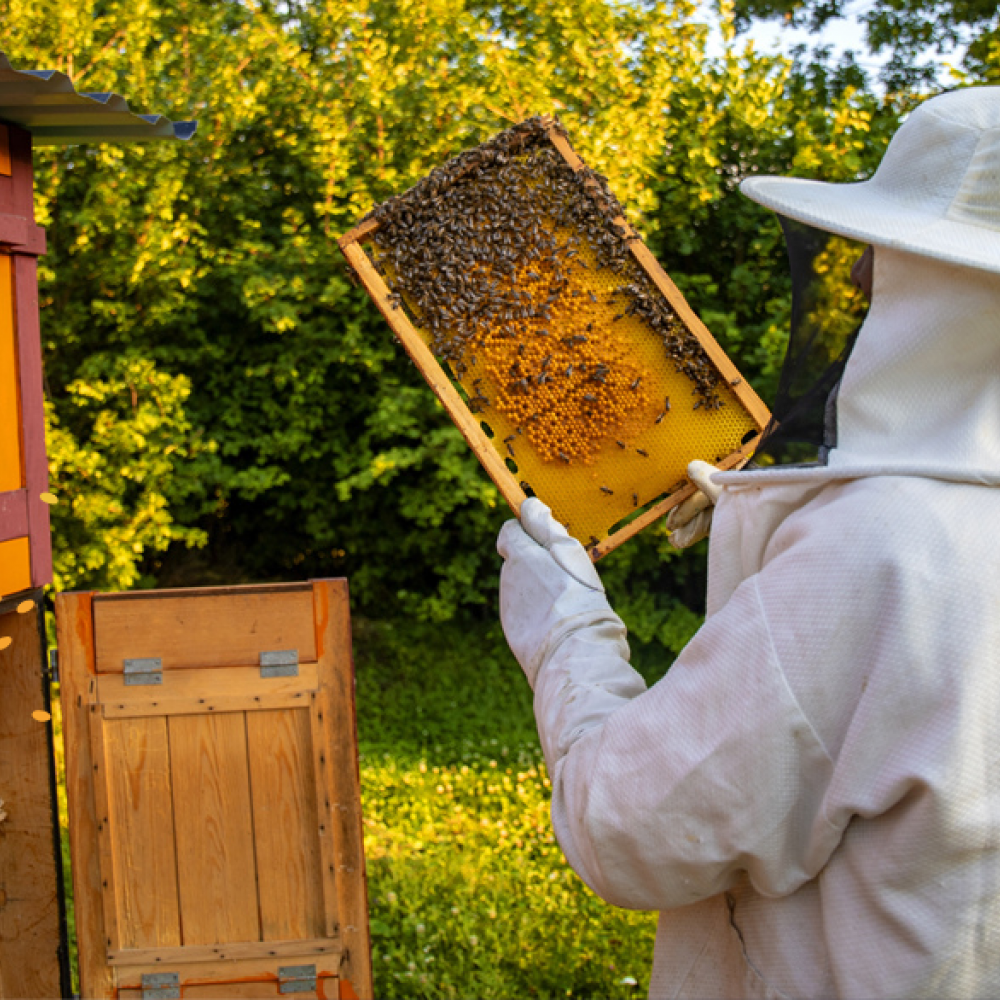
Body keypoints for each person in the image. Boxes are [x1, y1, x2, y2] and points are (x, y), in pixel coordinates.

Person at [497, 86, 1000, 999]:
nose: (854, 279)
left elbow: (632, 830)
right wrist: (752, 520)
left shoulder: (877, 556)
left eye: (883, 254)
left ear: (946, 289)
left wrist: (565, 632)